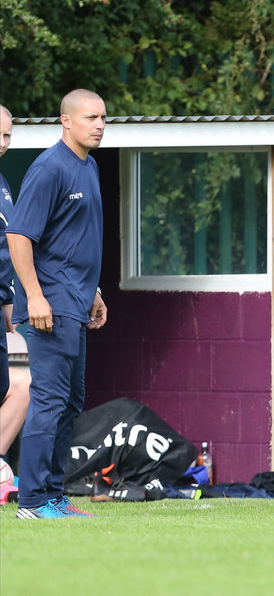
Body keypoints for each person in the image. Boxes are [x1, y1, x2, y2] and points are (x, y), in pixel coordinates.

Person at [8, 89, 109, 519]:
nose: (100, 125)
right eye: (91, 117)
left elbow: (76, 238)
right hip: (50, 301)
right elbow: (19, 235)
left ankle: (52, 494)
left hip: (77, 300)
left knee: (71, 400)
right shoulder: (49, 168)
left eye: (104, 117)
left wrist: (96, 291)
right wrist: (34, 295)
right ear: (66, 121)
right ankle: (31, 501)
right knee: (49, 399)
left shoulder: (90, 167)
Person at [0, 105, 32, 502]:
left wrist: (11, 306)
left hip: (2, 301)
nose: (2, 143)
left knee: (20, 386)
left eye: (7, 136)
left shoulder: (4, 183)